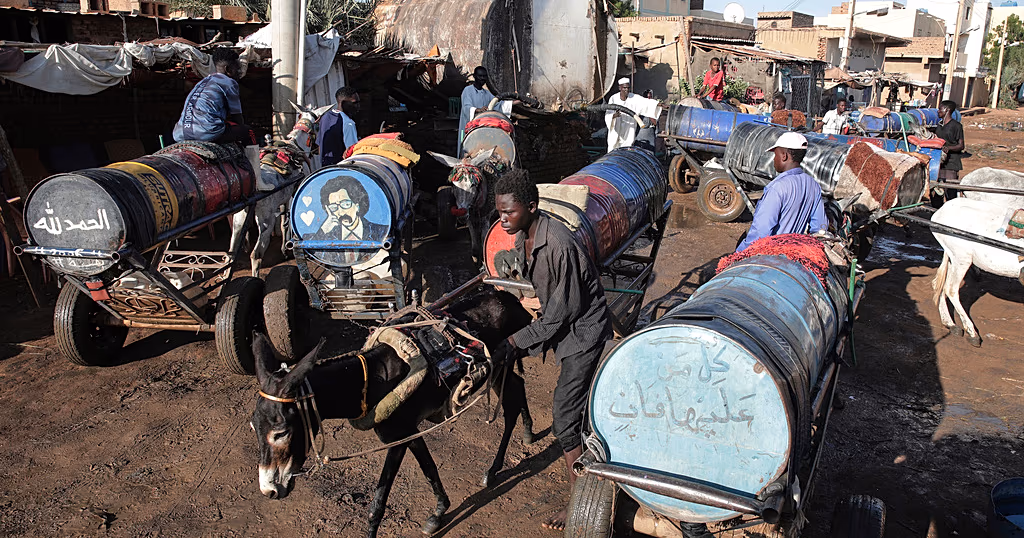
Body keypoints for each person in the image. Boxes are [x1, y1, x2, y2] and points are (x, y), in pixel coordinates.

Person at [493, 168, 613, 532]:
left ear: (531, 206)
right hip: (566, 324)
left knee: (563, 416)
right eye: (499, 212)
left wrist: (515, 341)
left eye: (509, 212)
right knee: (570, 407)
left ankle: (579, 502)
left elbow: (562, 314)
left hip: (583, 332)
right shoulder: (524, 237)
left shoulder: (557, 244)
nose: (503, 219)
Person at [736, 132, 827, 252]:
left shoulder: (777, 188)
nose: (774, 159)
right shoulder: (813, 185)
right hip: (793, 254)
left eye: (775, 155)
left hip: (772, 254)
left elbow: (761, 231)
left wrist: (739, 254)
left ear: (784, 156)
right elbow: (820, 226)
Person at [173, 48, 253, 144]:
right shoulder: (229, 82)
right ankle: (251, 159)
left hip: (180, 134)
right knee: (247, 131)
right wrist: (241, 129)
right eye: (237, 68)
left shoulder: (203, 82)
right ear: (228, 69)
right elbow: (237, 116)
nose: (239, 72)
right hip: (206, 133)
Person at [458, 66, 512, 155]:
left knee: (481, 151)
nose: (482, 79)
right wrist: (477, 110)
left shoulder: (486, 93)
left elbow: (498, 104)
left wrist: (516, 102)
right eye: (480, 76)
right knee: (467, 151)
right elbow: (466, 107)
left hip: (482, 128)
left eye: (484, 76)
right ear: (474, 76)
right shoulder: (468, 90)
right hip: (469, 126)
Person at [605, 78, 659, 151]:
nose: (626, 90)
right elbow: (608, 114)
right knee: (613, 148)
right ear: (620, 88)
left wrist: (659, 105)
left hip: (629, 129)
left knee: (627, 148)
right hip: (617, 129)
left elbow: (646, 103)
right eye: (624, 88)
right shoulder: (613, 98)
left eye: (628, 88)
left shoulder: (634, 98)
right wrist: (614, 116)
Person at [317, 87, 360, 167]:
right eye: (354, 103)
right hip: (341, 169)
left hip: (325, 168)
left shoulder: (325, 117)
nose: (358, 106)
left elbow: (319, 147)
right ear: (343, 103)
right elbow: (352, 153)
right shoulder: (348, 123)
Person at [934, 99, 966, 203]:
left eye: (940, 109)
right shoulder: (939, 126)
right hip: (939, 162)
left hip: (951, 164)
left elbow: (961, 146)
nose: (938, 111)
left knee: (950, 193)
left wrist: (948, 148)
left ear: (947, 110)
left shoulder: (956, 126)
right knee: (936, 193)